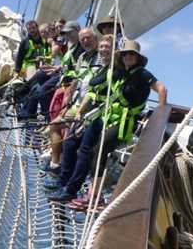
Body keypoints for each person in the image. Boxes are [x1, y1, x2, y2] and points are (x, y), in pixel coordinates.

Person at [47, 39, 167, 202]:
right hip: (105, 115)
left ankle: (94, 195)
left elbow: (161, 88)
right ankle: (70, 189)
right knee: (83, 148)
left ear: (137, 58)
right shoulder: (117, 72)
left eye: (132, 54)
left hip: (123, 121)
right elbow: (95, 86)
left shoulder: (142, 74)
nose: (128, 57)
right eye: (125, 54)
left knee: (99, 150)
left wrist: (160, 113)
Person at [44, 26, 99, 173]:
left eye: (88, 38)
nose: (86, 41)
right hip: (77, 103)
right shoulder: (82, 57)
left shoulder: (104, 57)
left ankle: (67, 171)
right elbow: (77, 78)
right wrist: (69, 95)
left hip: (92, 107)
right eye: (83, 39)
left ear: (96, 39)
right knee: (54, 126)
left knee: (72, 142)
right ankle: (55, 164)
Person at [23, 22, 83, 119]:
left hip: (69, 78)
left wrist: (57, 66)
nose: (68, 36)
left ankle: (46, 118)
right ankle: (24, 100)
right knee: (39, 78)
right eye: (66, 34)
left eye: (70, 33)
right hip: (62, 73)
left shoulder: (79, 45)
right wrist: (57, 67)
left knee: (41, 90)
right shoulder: (72, 46)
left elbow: (56, 55)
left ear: (77, 31)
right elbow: (66, 63)